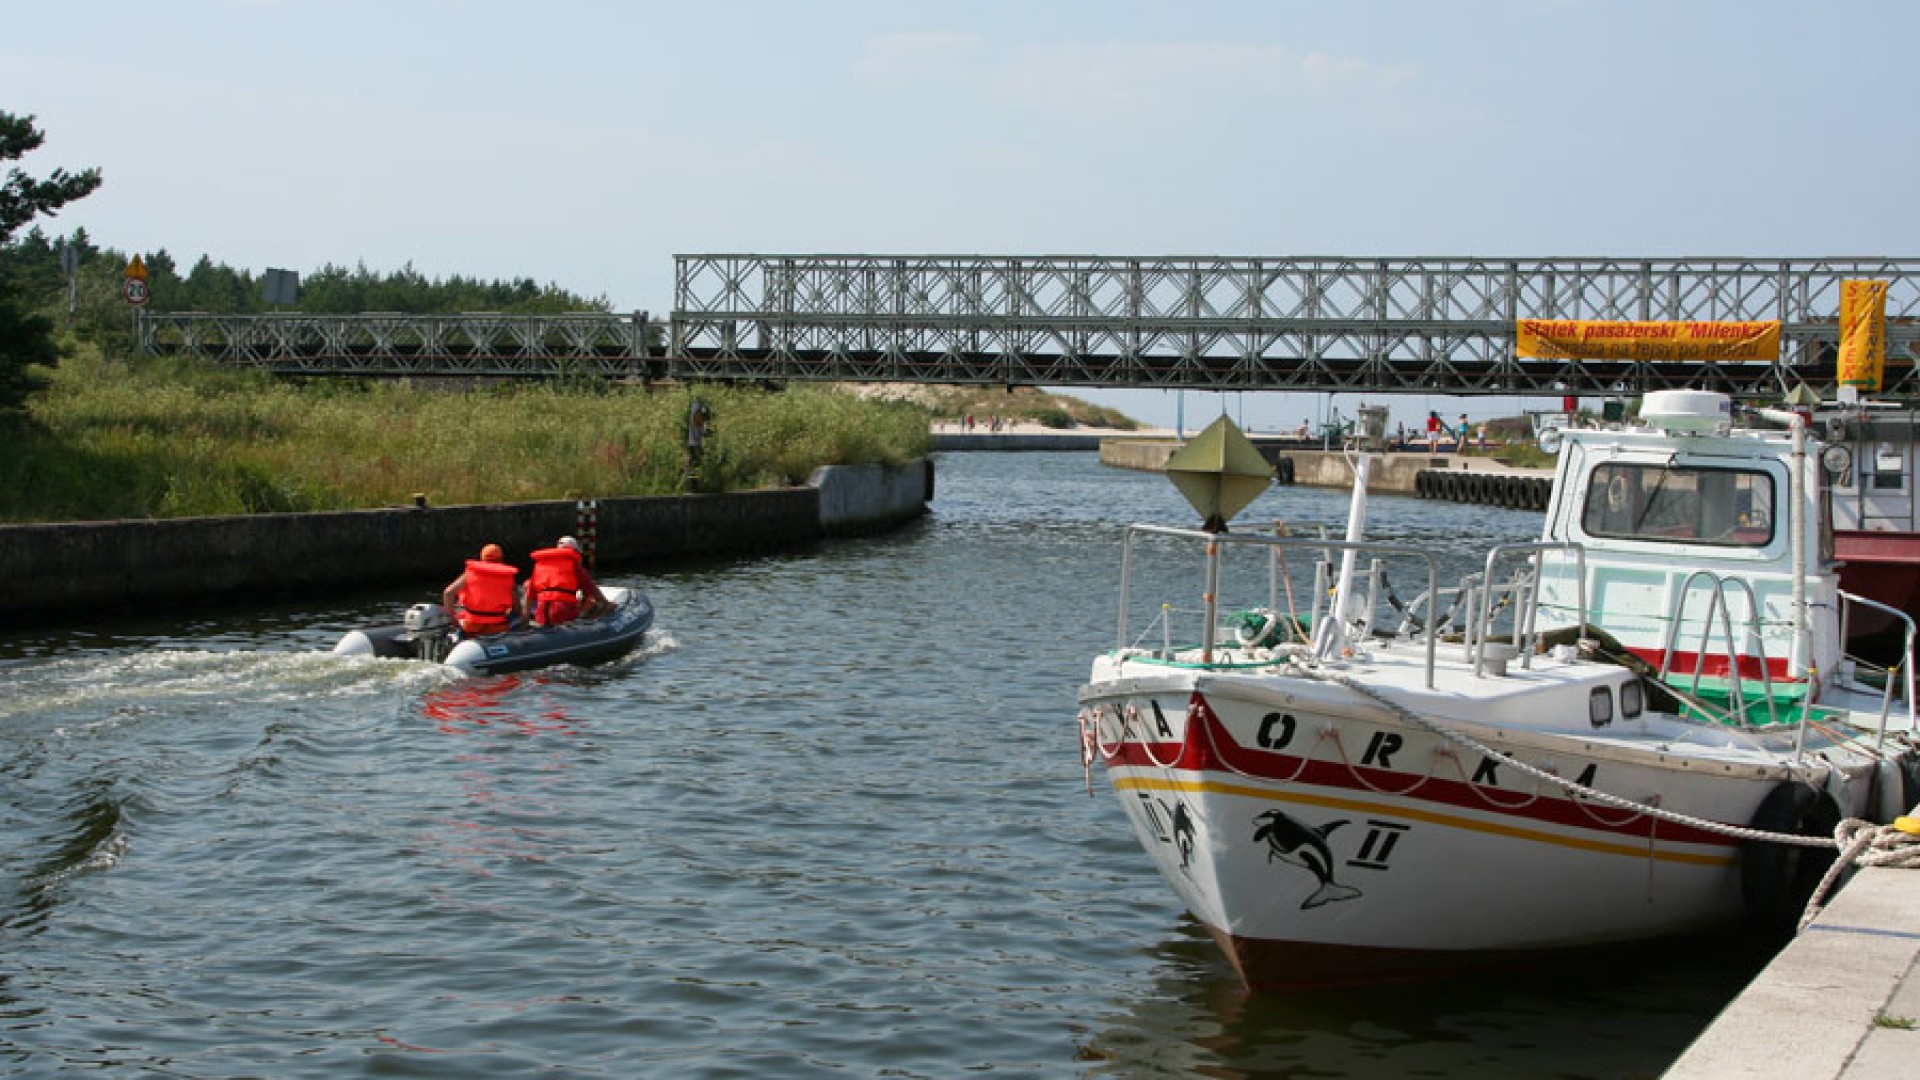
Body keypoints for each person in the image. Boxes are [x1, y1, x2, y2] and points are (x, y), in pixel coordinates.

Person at [524, 535, 607, 627]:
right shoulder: (574, 565)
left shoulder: (539, 565)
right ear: (573, 551)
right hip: (563, 613)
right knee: (593, 603)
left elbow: (528, 598)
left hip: (541, 615)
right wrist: (606, 604)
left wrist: (525, 622)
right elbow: (592, 590)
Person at [443, 543, 522, 636]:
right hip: (498, 627)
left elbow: (448, 593)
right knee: (516, 618)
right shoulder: (509, 577)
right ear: (501, 559)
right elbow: (517, 607)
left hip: (471, 627)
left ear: (482, 558)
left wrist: (452, 620)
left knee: (463, 616)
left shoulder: (470, 573)